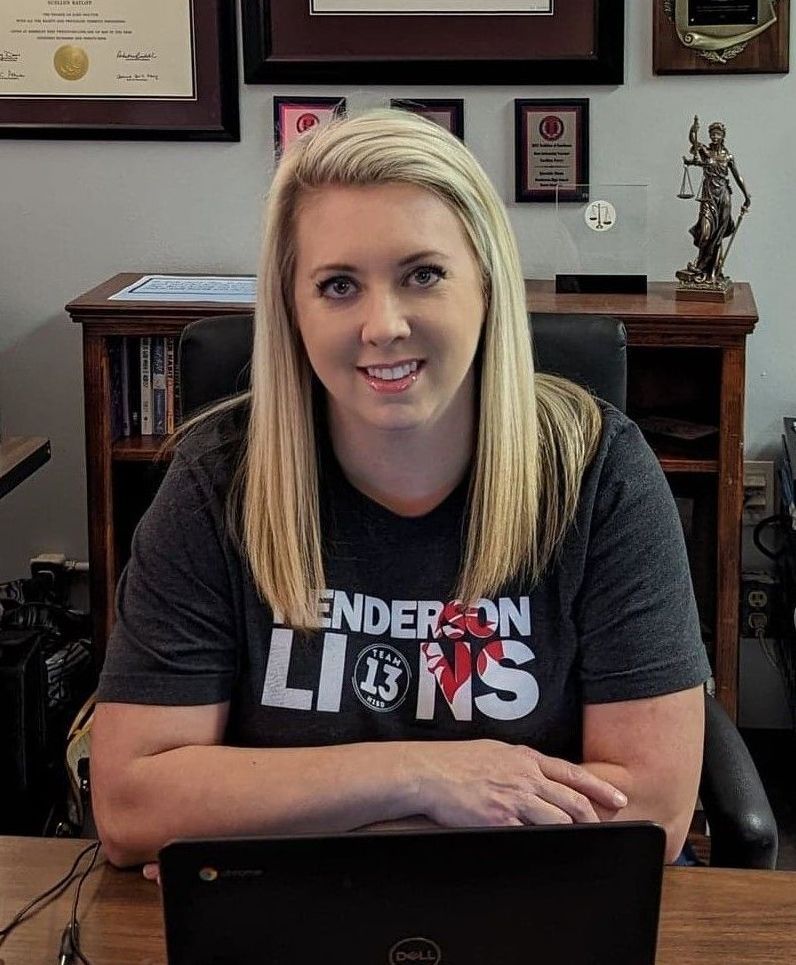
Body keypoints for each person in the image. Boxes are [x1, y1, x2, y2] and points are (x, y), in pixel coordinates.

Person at [91, 109, 710, 871]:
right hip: (299, 917)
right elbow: (131, 805)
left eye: (423, 274)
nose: (382, 325)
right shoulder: (218, 480)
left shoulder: (598, 470)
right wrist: (421, 775)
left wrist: (280, 825)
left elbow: (650, 809)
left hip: (533, 907)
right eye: (338, 285)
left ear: (486, 283)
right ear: (293, 309)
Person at [679, 116, 751, 285]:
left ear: (723, 136)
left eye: (718, 134)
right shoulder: (705, 151)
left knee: (718, 235)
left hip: (724, 196)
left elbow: (738, 177)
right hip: (708, 196)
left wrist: (747, 196)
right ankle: (700, 265)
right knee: (705, 233)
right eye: (712, 133)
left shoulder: (728, 156)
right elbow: (693, 140)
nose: (714, 136)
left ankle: (710, 271)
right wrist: (693, 129)